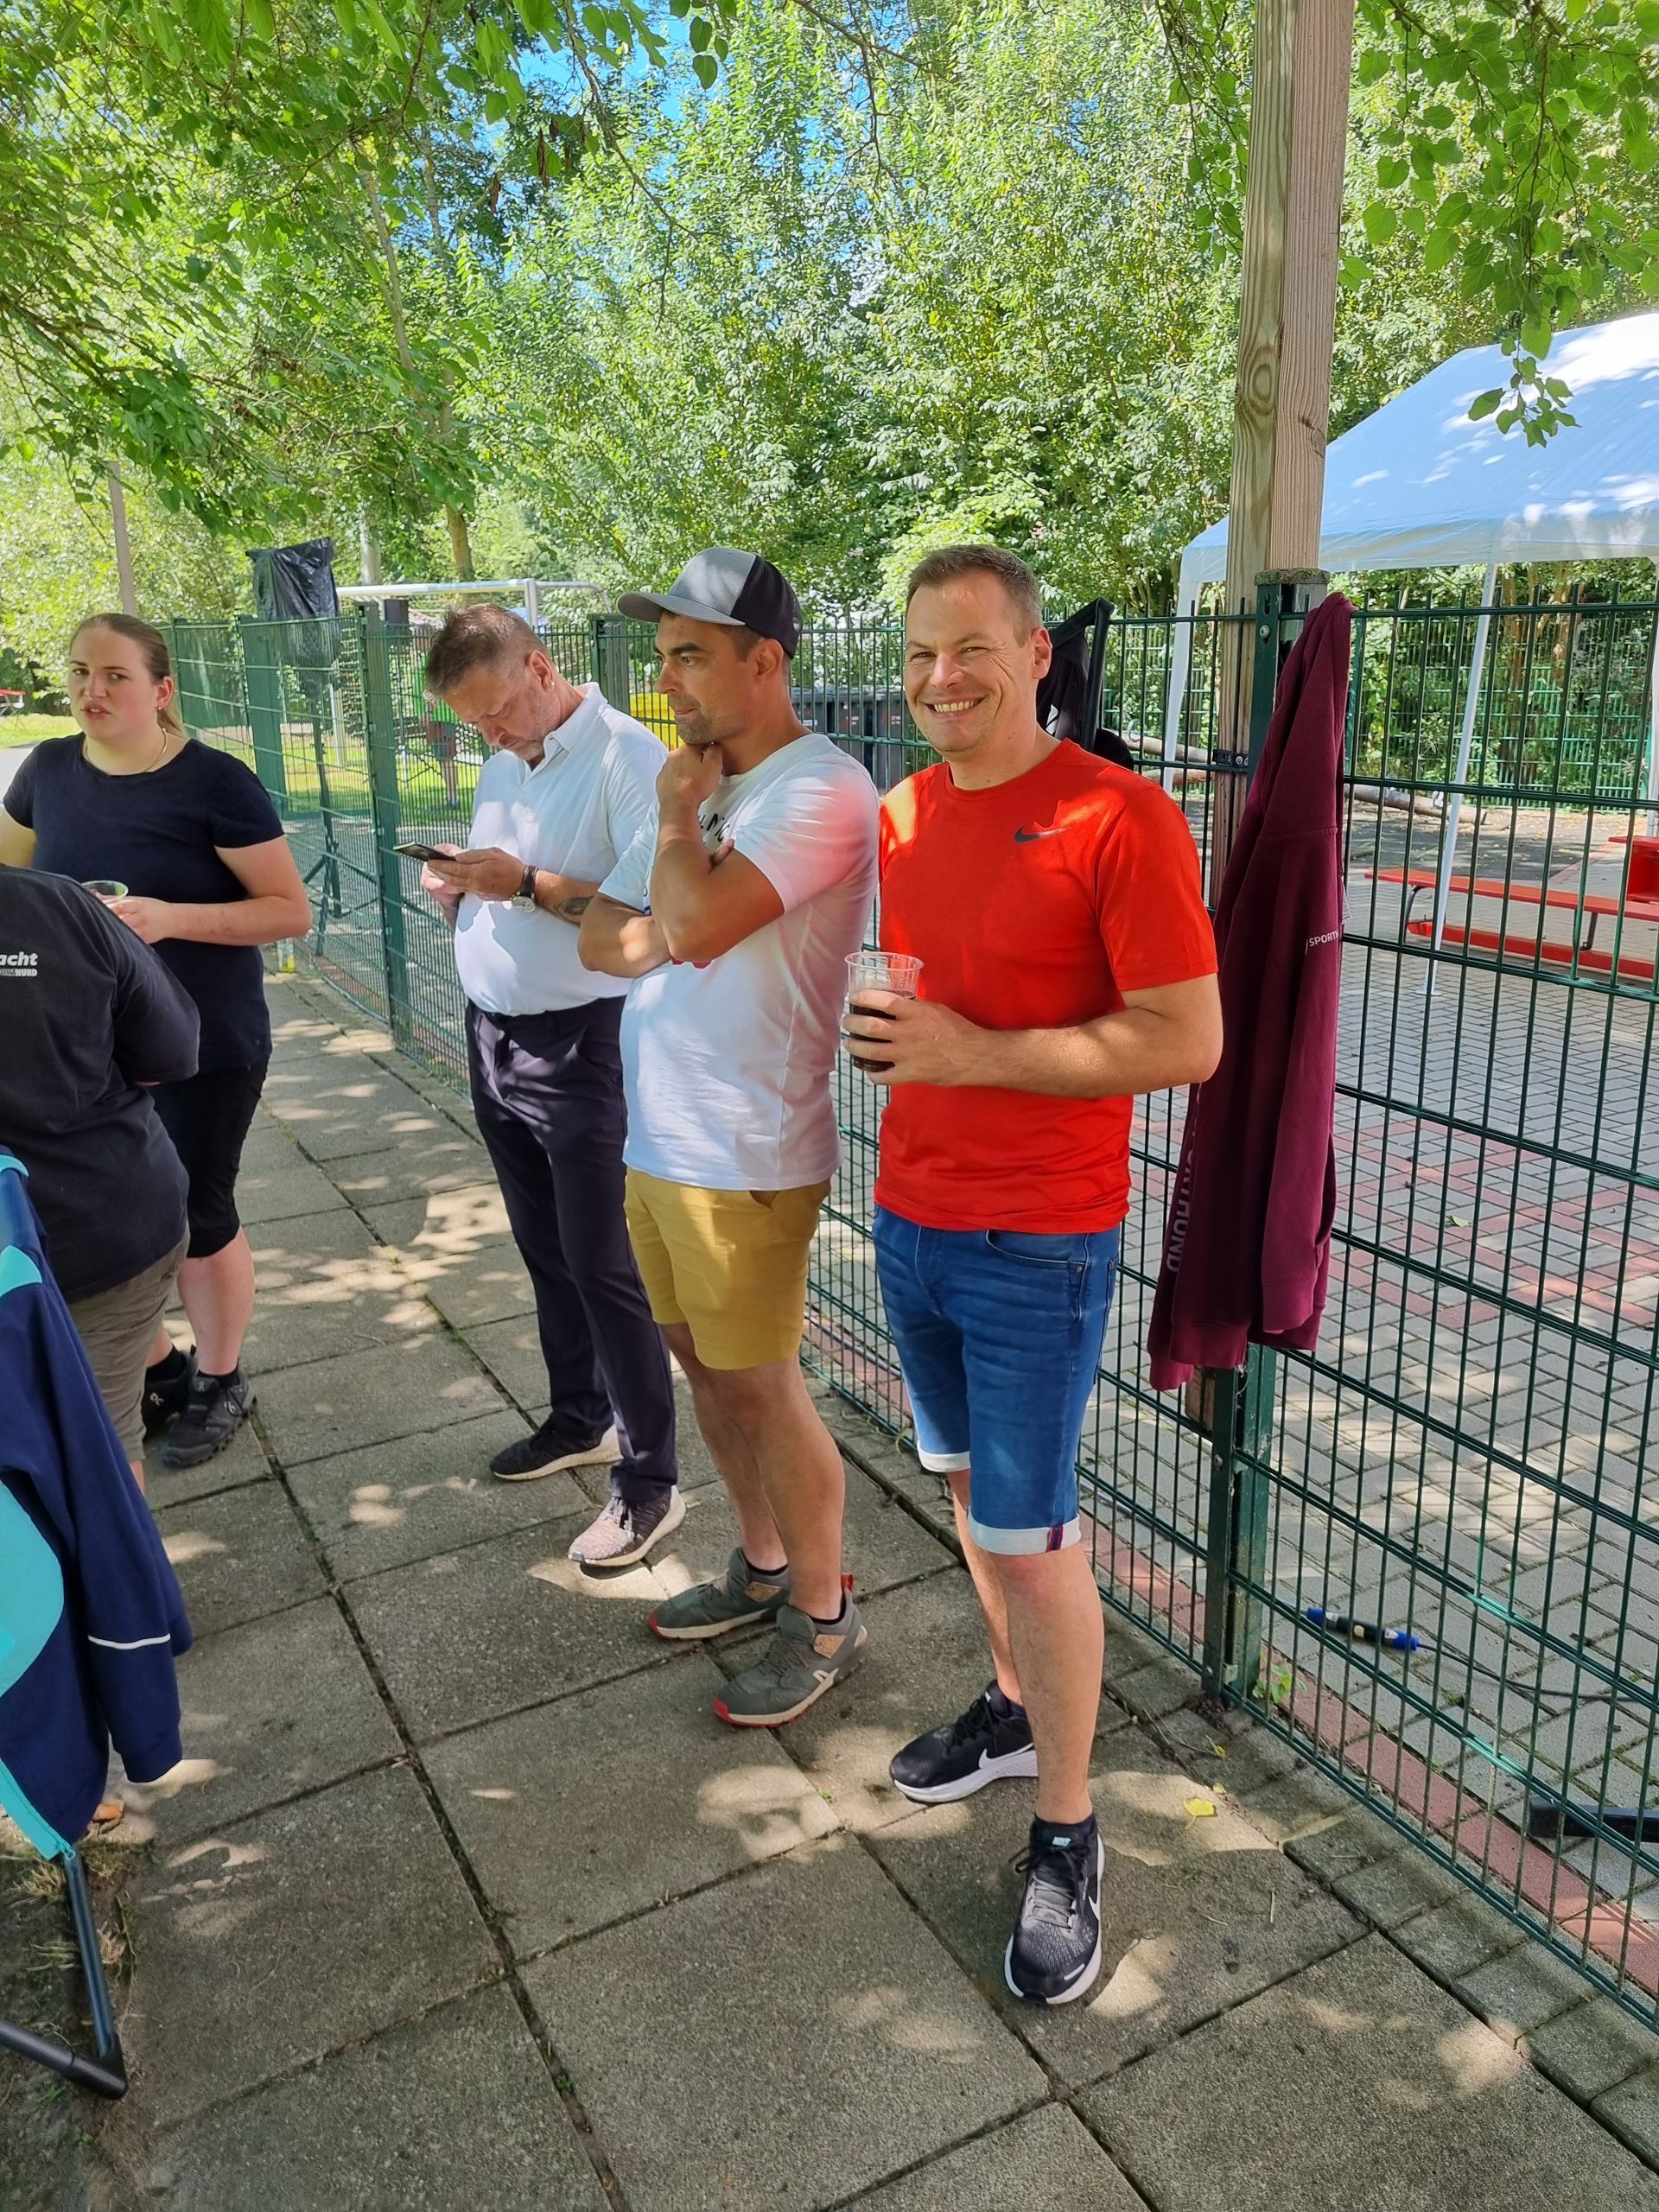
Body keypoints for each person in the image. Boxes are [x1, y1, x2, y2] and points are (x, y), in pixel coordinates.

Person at [847, 544, 1221, 2005]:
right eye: (920, 654)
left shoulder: (1118, 816)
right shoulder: (901, 813)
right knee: (966, 1496)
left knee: (1038, 1536)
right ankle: (1012, 1712)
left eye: (971, 649)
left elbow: (1186, 1038)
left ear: (1036, 654)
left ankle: (1070, 1831)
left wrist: (969, 1053)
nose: (942, 678)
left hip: (1037, 1244)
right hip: (909, 1220)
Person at [579, 548, 879, 1726]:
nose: (667, 681)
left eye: (691, 655)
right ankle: (762, 1565)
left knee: (764, 1388)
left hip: (747, 1150)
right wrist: (681, 896)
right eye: (663, 656)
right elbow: (604, 938)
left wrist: (674, 837)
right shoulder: (703, 789)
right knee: (703, 1369)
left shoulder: (821, 789)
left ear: (767, 660)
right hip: (660, 1139)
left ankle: (825, 1614)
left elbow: (688, 926)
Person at [0, 613, 311, 1467]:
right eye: (79, 672)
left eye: (115, 676)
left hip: (204, 1037)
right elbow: (12, 887)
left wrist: (167, 918)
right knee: (103, 1224)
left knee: (198, 1214)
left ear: (162, 690)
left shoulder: (216, 782)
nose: (91, 690)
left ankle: (221, 1377)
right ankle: (161, 1367)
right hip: (84, 1048)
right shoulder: (46, 770)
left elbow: (289, 911)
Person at [420, 606, 683, 1567]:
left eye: (495, 711)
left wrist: (523, 882)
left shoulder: (628, 757)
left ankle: (650, 1481)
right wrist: (459, 885)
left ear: (538, 667)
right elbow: (507, 876)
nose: (488, 734)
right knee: (544, 1249)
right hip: (494, 1035)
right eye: (472, 722)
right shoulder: (505, 761)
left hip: (583, 1046)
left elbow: (650, 914)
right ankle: (581, 1416)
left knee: (604, 1264)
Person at [0, 868, 200, 1487]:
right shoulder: (58, 903)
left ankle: (165, 1377)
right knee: (96, 1449)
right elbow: (168, 1053)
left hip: (90, 1241)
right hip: (107, 1223)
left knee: (94, 1453)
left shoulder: (59, 903)